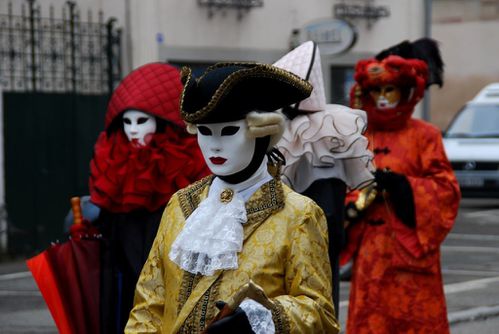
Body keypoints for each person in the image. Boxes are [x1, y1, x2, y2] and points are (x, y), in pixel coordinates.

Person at [125, 62, 340, 333]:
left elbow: (320, 315)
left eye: (229, 131)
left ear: (262, 133)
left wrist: (259, 319)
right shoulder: (180, 205)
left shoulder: (298, 214)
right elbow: (148, 305)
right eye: (204, 131)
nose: (215, 144)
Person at [340, 38, 461, 333]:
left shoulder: (425, 135)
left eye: (389, 90)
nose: (382, 98)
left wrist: (402, 187)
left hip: (412, 257)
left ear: (405, 92)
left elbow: (446, 191)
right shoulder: (359, 137)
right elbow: (340, 184)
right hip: (370, 256)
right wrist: (352, 207)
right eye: (377, 90)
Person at [89, 62, 210, 333]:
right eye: (127, 122)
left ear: (164, 120)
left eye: (142, 121)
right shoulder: (115, 158)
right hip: (124, 269)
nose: (133, 130)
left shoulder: (184, 160)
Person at [273, 41, 374, 314]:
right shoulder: (286, 129)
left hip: (317, 238)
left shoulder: (326, 131)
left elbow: (327, 205)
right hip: (284, 240)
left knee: (318, 307)